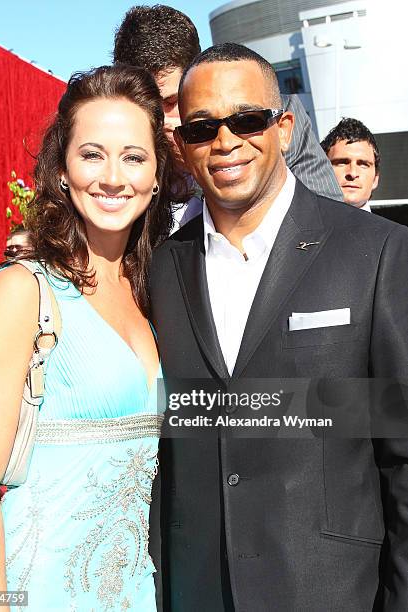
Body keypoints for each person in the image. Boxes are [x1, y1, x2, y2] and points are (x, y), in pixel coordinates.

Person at [149, 43, 408, 611]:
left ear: (285, 127)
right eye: (202, 128)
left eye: (246, 119)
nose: (225, 141)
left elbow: (402, 453)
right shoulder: (160, 270)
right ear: (180, 145)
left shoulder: (376, 253)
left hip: (333, 591)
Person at [0, 64, 183, 610]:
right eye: (91, 154)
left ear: (157, 176)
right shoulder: (21, 292)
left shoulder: (159, 291)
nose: (113, 176)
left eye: (133, 156)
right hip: (32, 591)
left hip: (132, 590)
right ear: (62, 169)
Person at [113, 4, 343, 232]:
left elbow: (329, 222)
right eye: (149, 107)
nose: (162, 122)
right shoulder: (118, 154)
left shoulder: (270, 118)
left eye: (172, 102)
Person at [321, 117, 380, 211]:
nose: (352, 173)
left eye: (363, 164)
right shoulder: (296, 223)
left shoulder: (395, 226)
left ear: (375, 179)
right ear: (321, 171)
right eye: (342, 163)